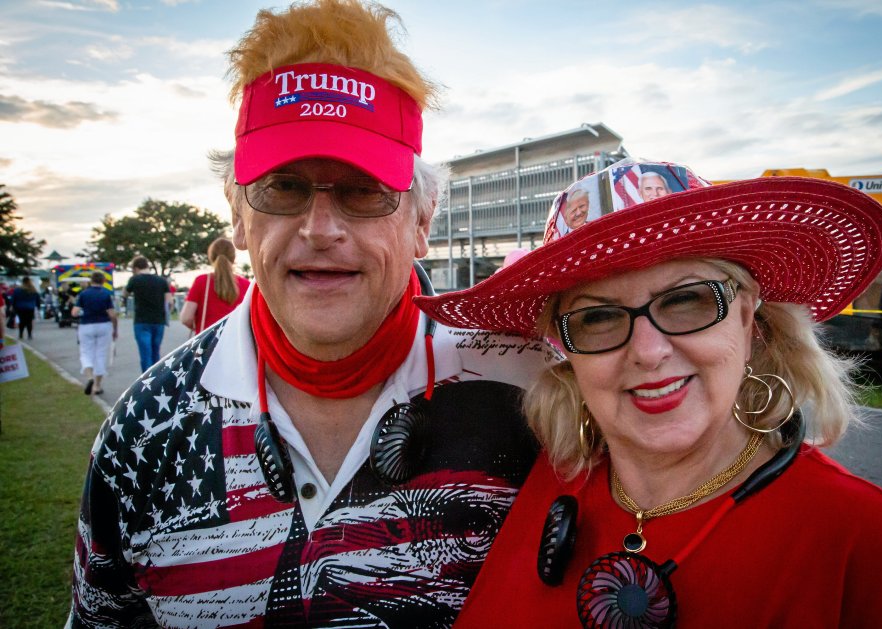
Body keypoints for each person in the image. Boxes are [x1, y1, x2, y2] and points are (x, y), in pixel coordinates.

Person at [69, 1, 547, 626]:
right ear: (238, 215)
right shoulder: (143, 429)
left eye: (363, 189)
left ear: (423, 220)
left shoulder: (538, 398)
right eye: (285, 187)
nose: (321, 230)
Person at [417, 157, 882, 627]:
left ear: (747, 317)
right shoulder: (547, 482)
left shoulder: (862, 540)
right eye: (598, 316)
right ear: (567, 354)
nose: (648, 351)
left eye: (687, 300)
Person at [180, 236, 250, 334]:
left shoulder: (202, 281)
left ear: (211, 257)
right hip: (236, 342)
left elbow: (186, 318)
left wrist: (197, 325)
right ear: (233, 258)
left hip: (208, 342)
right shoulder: (246, 285)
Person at [122, 254, 171, 372]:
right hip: (158, 321)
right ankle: (157, 380)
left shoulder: (134, 280)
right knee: (155, 352)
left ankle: (146, 381)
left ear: (135, 268)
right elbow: (170, 301)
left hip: (142, 321)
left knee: (145, 354)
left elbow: (125, 294)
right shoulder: (161, 281)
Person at [72, 271, 118, 396]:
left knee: (86, 352)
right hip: (104, 325)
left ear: (91, 281)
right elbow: (112, 314)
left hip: (86, 325)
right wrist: (115, 329)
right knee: (101, 354)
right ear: (103, 281)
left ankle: (89, 377)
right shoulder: (105, 294)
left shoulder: (83, 294)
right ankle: (97, 386)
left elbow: (74, 313)